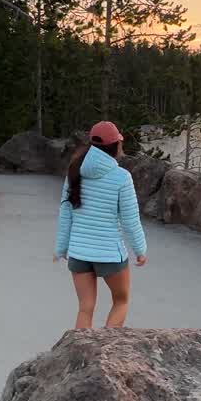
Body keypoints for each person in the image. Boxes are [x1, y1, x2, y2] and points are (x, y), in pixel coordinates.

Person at [54, 121, 147, 329]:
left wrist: (61, 248)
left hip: (79, 253)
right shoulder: (122, 178)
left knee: (85, 308)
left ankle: (81, 354)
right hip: (109, 254)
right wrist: (140, 250)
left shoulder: (74, 171)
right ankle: (106, 352)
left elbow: (65, 212)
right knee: (121, 302)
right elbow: (130, 221)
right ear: (116, 145)